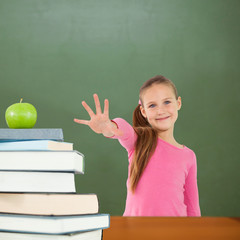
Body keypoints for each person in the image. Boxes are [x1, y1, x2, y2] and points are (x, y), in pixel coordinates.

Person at [74, 75, 201, 217]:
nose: (160, 111)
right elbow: (123, 130)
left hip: (175, 232)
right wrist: (109, 126)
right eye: (152, 105)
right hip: (135, 230)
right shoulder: (139, 140)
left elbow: (193, 208)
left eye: (167, 102)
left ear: (178, 103)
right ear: (143, 111)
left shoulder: (188, 156)